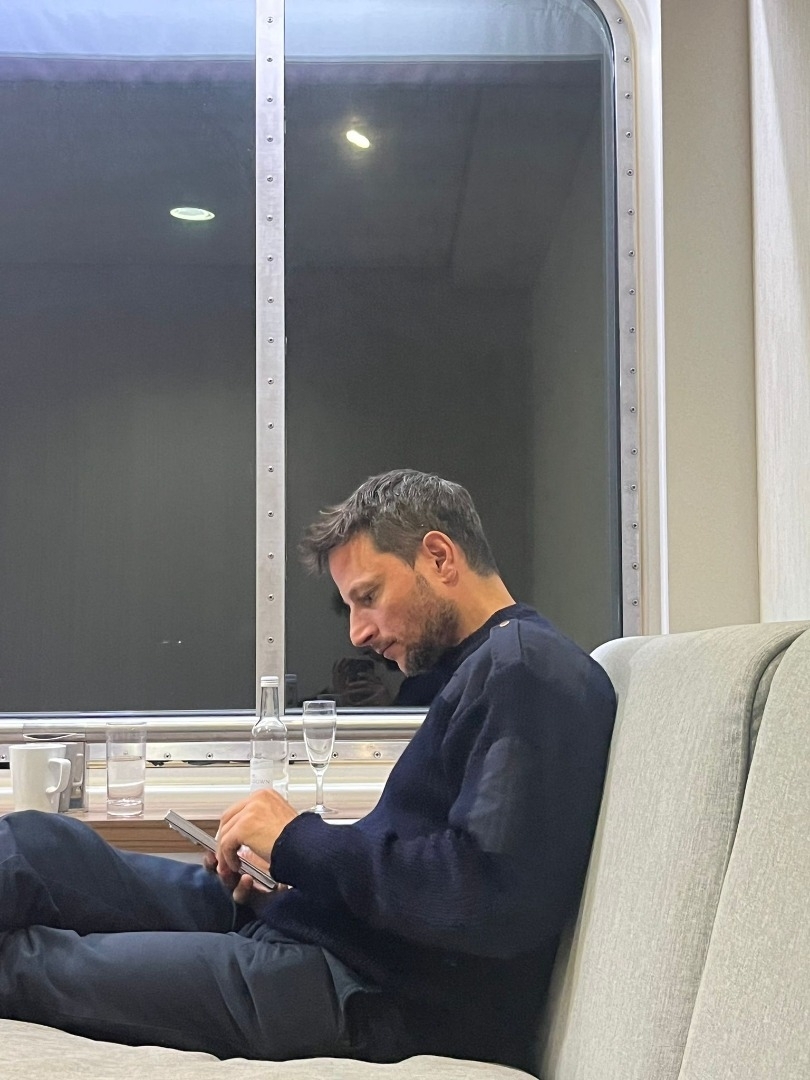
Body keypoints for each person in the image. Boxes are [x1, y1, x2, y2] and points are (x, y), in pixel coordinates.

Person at [0, 469, 616, 1073]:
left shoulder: (525, 671)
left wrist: (299, 841)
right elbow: (424, 855)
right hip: (321, 927)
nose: (359, 632)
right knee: (37, 844)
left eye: (368, 597)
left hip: (369, 993)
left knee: (31, 962)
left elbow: (488, 898)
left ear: (439, 557)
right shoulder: (483, 667)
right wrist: (292, 868)